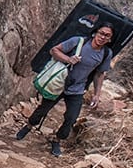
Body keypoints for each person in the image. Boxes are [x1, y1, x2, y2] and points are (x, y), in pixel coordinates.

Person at [15, 21, 116, 157]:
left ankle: (57, 139)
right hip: (59, 84)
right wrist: (68, 59)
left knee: (71, 117)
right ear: (95, 32)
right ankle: (28, 126)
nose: (103, 37)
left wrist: (97, 94)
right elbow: (54, 50)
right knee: (43, 109)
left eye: (107, 35)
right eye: (101, 33)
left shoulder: (105, 54)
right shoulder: (79, 42)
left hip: (77, 88)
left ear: (110, 39)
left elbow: (99, 74)